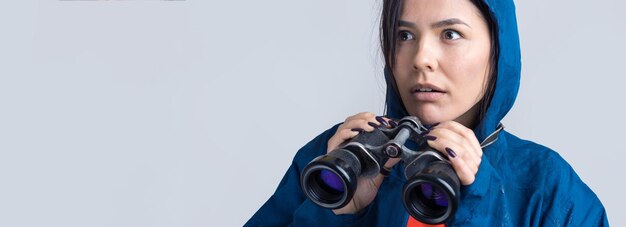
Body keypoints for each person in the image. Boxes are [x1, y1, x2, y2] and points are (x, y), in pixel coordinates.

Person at [246, 0, 609, 226]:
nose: (420, 59)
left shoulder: (547, 187)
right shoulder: (331, 160)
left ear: (498, 48)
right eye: (404, 36)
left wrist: (477, 207)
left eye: (450, 34)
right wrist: (336, 214)